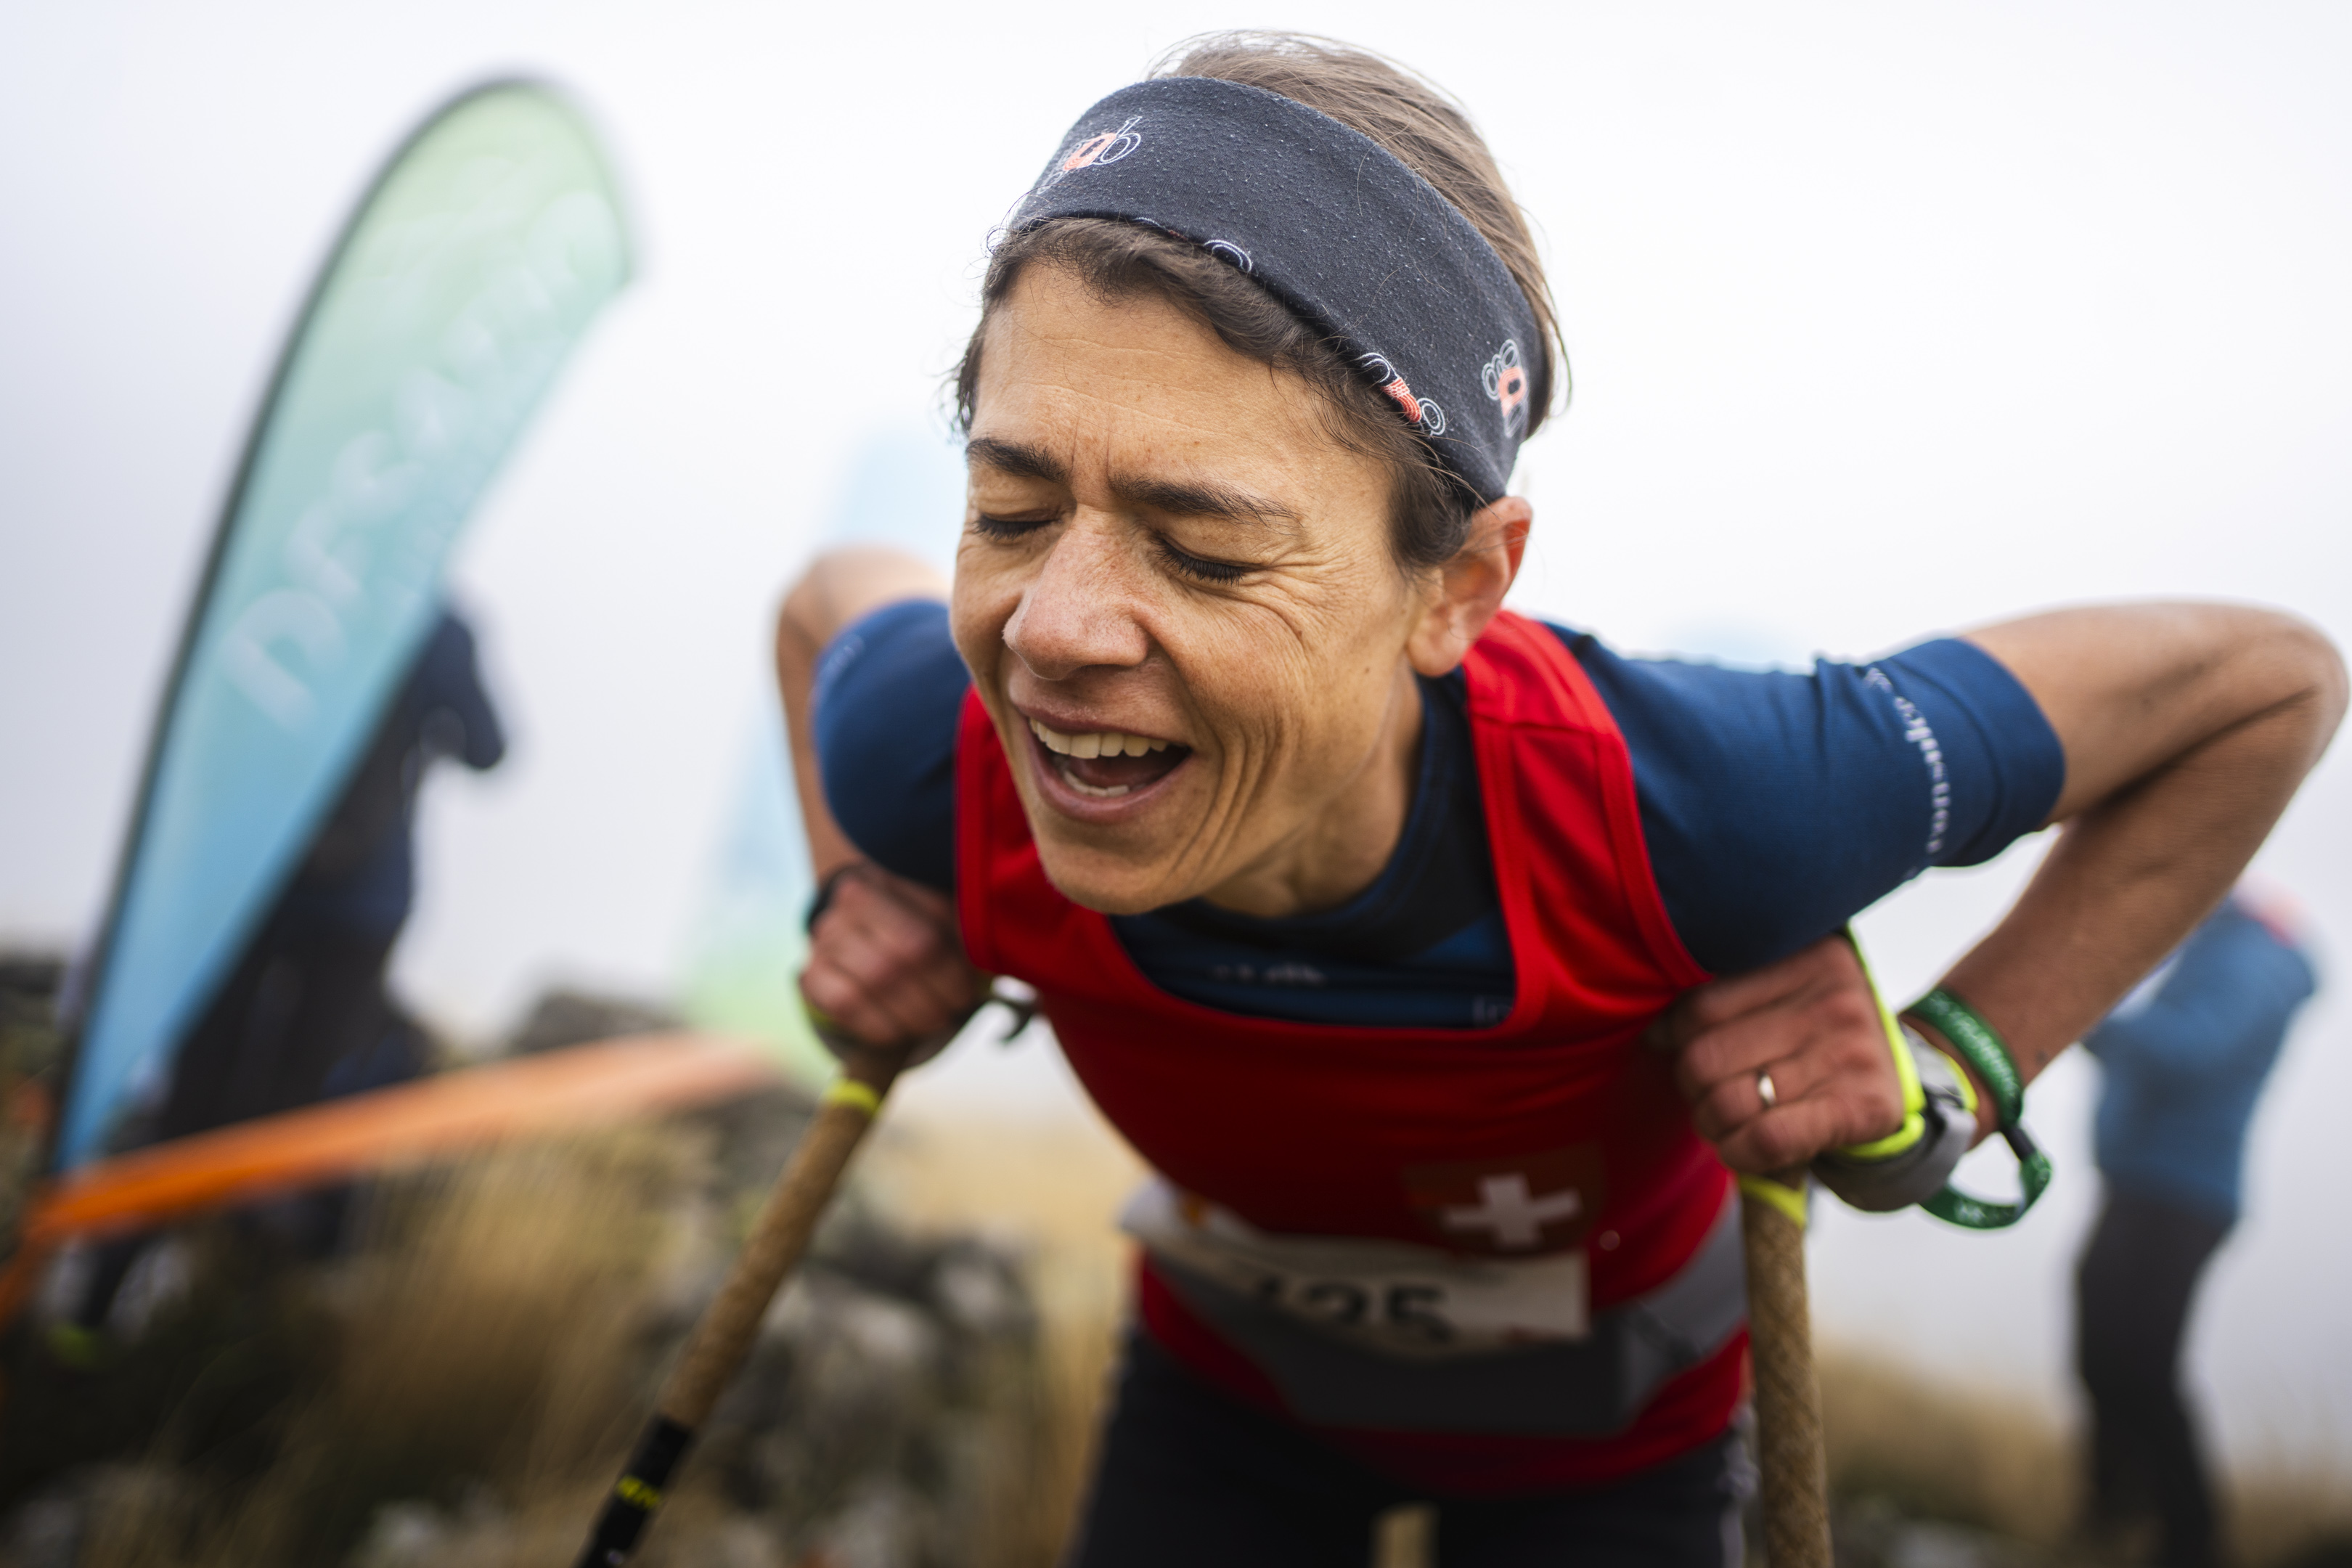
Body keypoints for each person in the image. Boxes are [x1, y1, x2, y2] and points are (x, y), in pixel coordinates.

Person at [774, 35, 2345, 1566]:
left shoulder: (1703, 811)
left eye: (1206, 551)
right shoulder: (937, 759)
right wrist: (857, 887)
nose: (1052, 632)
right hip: (1228, 1401)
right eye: (1010, 507)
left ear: (1459, 586)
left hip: (1616, 1445)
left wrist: (1956, 1065)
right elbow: (826, 603)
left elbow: (2268, 684)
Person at [62, 608, 504, 1345]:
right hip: (361, 903)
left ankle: (94, 1317)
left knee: (193, 1103)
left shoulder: (290, 588)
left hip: (246, 877)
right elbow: (489, 749)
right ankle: (228, 1341)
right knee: (296, 1117)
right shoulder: (430, 617)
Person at [2075, 891, 2316, 1568]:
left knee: (2143, 1366)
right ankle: (2112, 1513)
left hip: (2180, 1194)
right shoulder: (2220, 944)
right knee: (2104, 1353)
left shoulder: (2250, 958)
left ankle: (2194, 1541)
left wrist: (2079, 1012)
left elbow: (2192, 1050)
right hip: (2144, 1182)